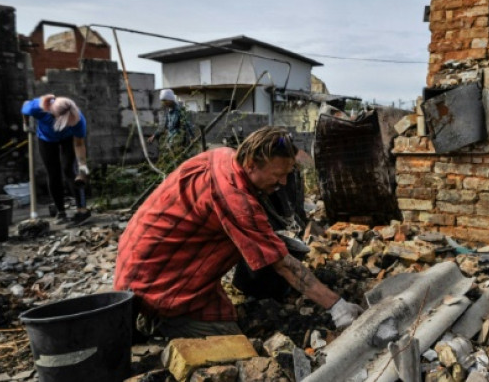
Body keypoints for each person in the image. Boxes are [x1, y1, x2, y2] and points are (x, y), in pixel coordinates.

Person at [114, 126, 363, 338]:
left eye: (287, 175)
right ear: (252, 164)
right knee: (229, 335)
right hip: (156, 282)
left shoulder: (224, 156)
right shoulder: (235, 198)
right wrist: (336, 305)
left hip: (139, 258)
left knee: (229, 309)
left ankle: (149, 312)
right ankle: (154, 321)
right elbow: (283, 265)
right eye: (278, 175)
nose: (283, 183)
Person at [21, 94, 91, 225]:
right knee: (53, 173)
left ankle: (82, 210)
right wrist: (25, 123)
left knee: (69, 169)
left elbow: (79, 144)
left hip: (67, 140)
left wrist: (82, 165)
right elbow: (25, 107)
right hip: (46, 139)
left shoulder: (78, 119)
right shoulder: (37, 108)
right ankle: (61, 212)